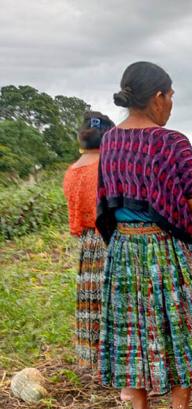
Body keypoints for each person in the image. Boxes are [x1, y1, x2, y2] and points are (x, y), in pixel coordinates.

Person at [96, 61, 192, 409]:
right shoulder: (171, 141)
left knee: (135, 327)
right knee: (178, 326)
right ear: (158, 96)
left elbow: (106, 200)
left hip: (125, 248)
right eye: (171, 95)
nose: (172, 103)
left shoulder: (110, 140)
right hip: (166, 246)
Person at [62, 111, 114, 368]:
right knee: (117, 303)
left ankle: (98, 360)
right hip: (111, 239)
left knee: (94, 301)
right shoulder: (108, 166)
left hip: (88, 245)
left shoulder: (72, 171)